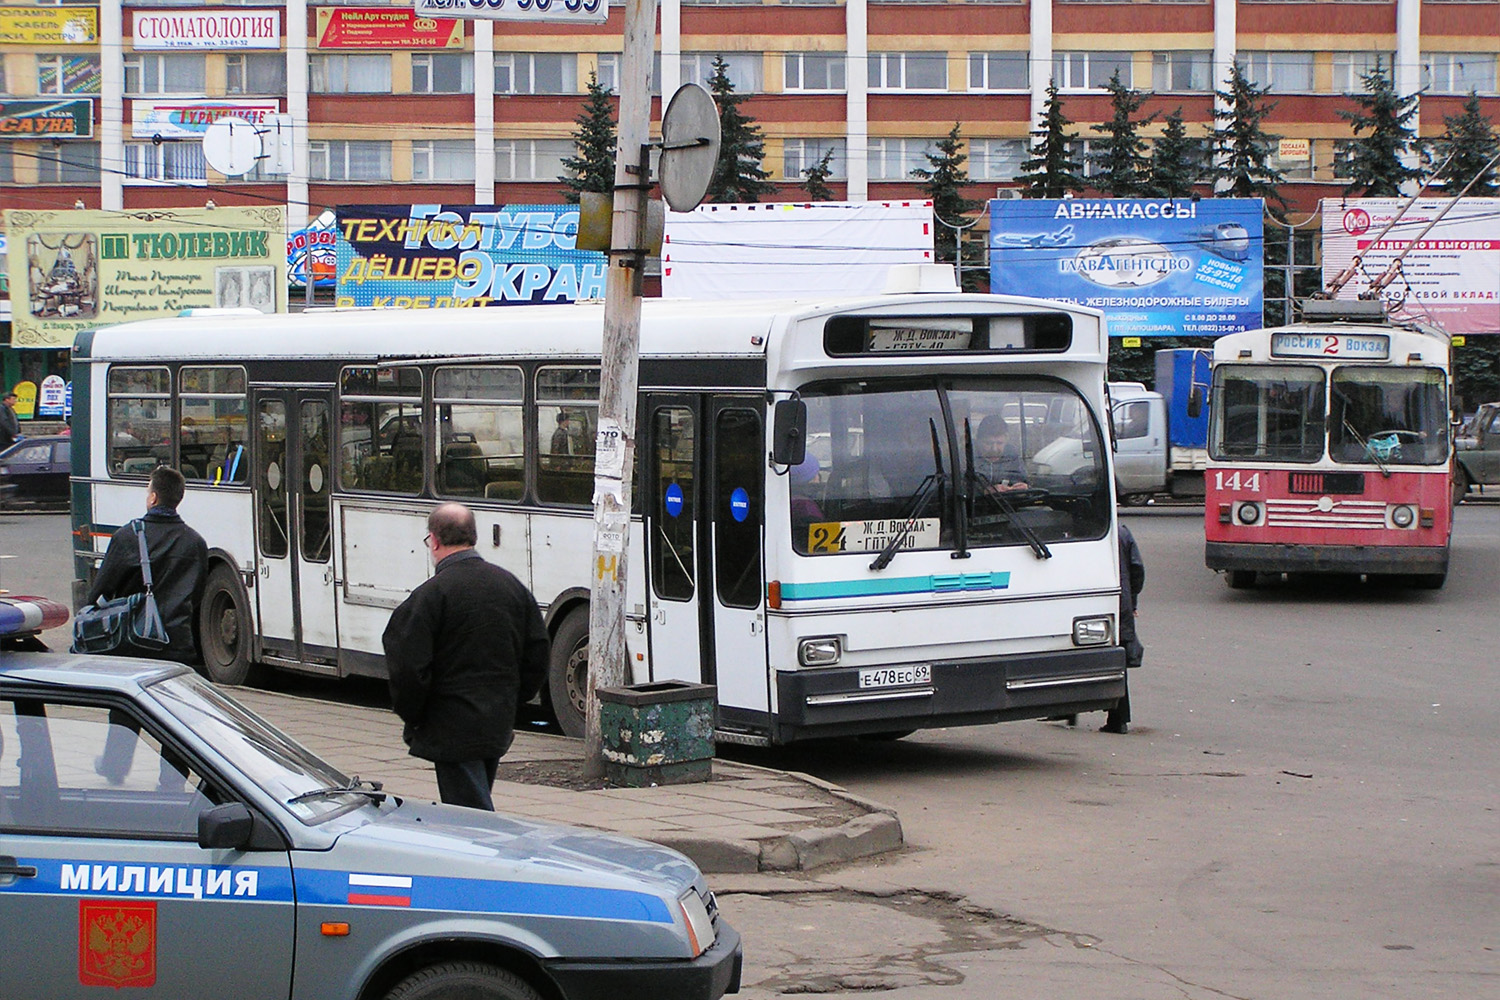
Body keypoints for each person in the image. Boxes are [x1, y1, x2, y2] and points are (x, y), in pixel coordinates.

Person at [382, 502, 550, 810]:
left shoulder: (431, 595)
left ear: (433, 540)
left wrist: (415, 715)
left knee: (471, 818)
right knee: (474, 801)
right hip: (496, 721)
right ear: (473, 536)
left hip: (450, 726)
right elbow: (537, 651)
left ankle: (489, 857)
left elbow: (407, 665)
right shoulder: (511, 587)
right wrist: (514, 699)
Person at [85, 465, 208, 664]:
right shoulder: (195, 542)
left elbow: (100, 593)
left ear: (153, 498)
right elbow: (197, 595)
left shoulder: (127, 537)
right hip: (178, 644)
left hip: (134, 643)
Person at [1104, 521, 1146, 734]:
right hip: (1122, 603)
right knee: (1118, 658)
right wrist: (1133, 601)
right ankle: (1118, 719)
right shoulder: (1122, 533)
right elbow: (1137, 569)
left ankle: (1066, 710)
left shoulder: (1080, 531)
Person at [972, 415, 1028, 491]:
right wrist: (984, 492)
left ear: (1006, 439)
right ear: (978, 440)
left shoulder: (1012, 456)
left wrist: (1023, 488)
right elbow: (954, 488)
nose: (994, 449)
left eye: (999, 443)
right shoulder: (965, 457)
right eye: (988, 443)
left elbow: (1022, 480)